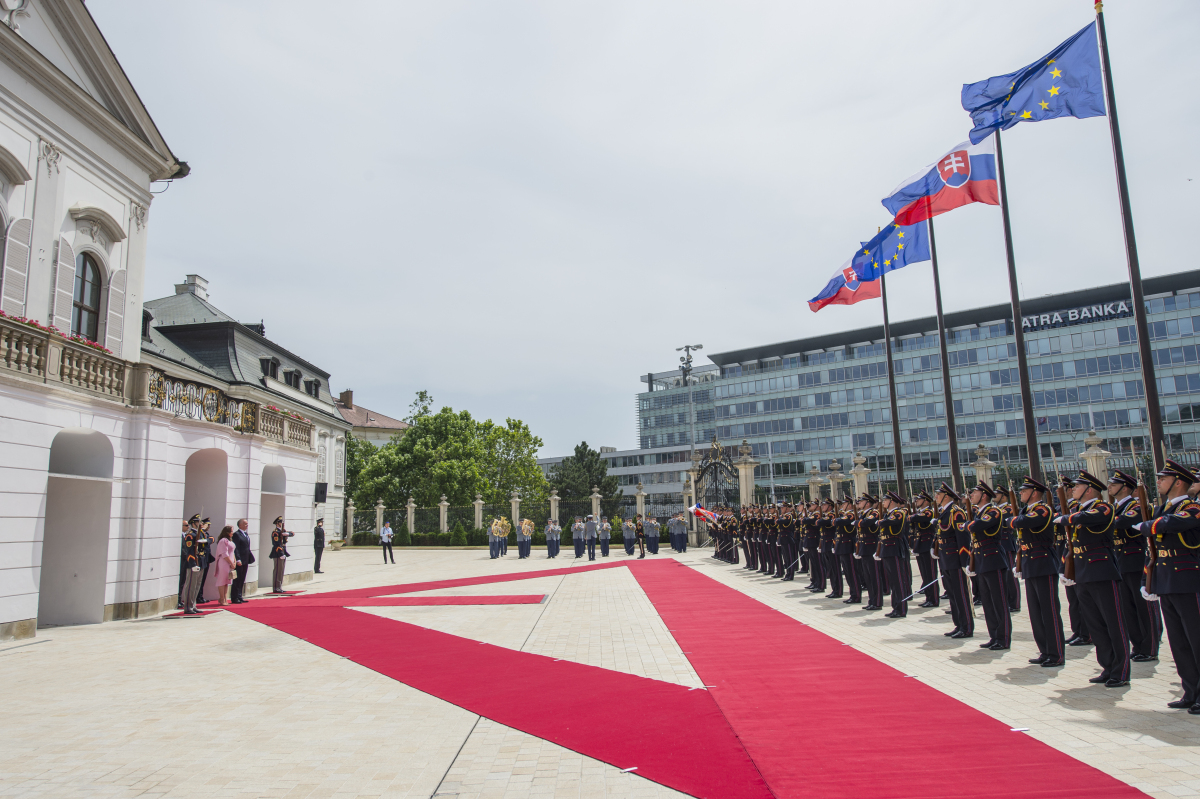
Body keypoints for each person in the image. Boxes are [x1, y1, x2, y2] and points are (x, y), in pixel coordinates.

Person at [1134, 459, 1200, 711]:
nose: (1158, 482)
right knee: (1178, 641)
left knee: (1196, 638)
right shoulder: (1163, 509)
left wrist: (1148, 525)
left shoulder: (1192, 507)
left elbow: (1174, 523)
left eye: (1163, 478)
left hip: (1188, 580)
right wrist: (1146, 581)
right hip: (1166, 580)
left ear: (1179, 482)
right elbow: (1152, 551)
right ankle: (1191, 691)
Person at [1059, 470, 1130, 687]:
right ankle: (1107, 666)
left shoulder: (1103, 507)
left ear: (1089, 490)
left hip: (1102, 572)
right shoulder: (1078, 509)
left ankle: (1120, 671)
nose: (1073, 489)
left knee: (1113, 623)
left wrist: (1067, 517)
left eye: (1077, 487)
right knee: (1096, 625)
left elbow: (1085, 518)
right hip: (1083, 573)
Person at [1108, 470, 1161, 663]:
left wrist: (1102, 522)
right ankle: (1137, 646)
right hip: (1120, 561)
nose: (1110, 487)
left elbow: (1122, 522)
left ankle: (1150, 648)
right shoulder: (1114, 507)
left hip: (1135, 561)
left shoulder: (1136, 506)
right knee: (1128, 609)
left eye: (1114, 484)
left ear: (1125, 488)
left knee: (1144, 608)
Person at [1012, 476, 1065, 667]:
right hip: (1030, 563)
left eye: (1024, 491)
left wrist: (1013, 520)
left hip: (1043, 563)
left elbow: (1022, 523)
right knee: (1035, 613)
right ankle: (1045, 650)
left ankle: (1056, 653)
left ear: (1035, 493)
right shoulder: (1026, 510)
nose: (1020, 493)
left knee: (1049, 612)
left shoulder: (1043, 509)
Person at [966, 482, 1011, 650]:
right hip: (981, 560)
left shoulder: (993, 511)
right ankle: (994, 636)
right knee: (987, 602)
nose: (971, 495)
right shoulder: (979, 513)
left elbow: (976, 526)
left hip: (993, 560)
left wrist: (968, 524)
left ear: (984, 495)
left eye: (975, 493)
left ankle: (1003, 638)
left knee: (999, 601)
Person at [935, 483, 973, 639]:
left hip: (955, 559)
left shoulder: (956, 513)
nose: (936, 497)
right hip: (946, 558)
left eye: (939, 494)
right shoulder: (945, 512)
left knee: (960, 594)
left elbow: (963, 539)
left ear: (946, 496)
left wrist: (964, 562)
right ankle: (958, 624)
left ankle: (967, 627)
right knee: (952, 594)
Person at [877, 491, 910, 618]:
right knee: (892, 581)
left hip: (895, 549)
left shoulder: (899, 513)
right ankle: (895, 607)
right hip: (887, 549)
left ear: (892, 502)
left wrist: (880, 522)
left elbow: (887, 522)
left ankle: (901, 609)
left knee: (898, 580)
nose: (883, 502)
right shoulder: (889, 514)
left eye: (886, 500)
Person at [910, 491, 939, 608]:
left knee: (931, 574)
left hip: (928, 545)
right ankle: (928, 597)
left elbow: (917, 518)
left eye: (919, 499)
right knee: (925, 575)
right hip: (920, 545)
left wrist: (912, 517)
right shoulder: (920, 512)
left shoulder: (929, 512)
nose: (916, 501)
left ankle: (934, 599)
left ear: (926, 501)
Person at [855, 494, 882, 610]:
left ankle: (877, 602)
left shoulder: (874, 513)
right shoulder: (863, 514)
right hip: (864, 547)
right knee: (868, 577)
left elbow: (865, 523)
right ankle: (871, 600)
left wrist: (858, 522)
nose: (859, 503)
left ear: (867, 503)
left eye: (861, 502)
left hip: (871, 547)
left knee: (874, 576)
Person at [179, 514, 204, 615]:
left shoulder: (200, 534)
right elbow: (189, 551)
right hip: (193, 563)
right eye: (198, 522)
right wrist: (193, 563)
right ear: (193, 524)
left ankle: (193, 605)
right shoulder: (190, 535)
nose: (200, 524)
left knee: (197, 585)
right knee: (191, 586)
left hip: (200, 562)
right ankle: (188, 607)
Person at [231, 519, 255, 604]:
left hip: (246, 559)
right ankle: (234, 597)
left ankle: (239, 596)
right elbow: (236, 548)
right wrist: (238, 559)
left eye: (247, 524)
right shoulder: (237, 535)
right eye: (245, 524)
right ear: (240, 525)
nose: (247, 525)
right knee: (237, 579)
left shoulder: (245, 534)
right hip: (240, 560)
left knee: (242, 578)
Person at [212, 526, 237, 606]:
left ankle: (225, 599)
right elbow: (224, 554)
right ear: (227, 532)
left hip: (230, 563)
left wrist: (234, 562)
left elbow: (232, 552)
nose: (232, 533)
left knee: (227, 581)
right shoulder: (223, 541)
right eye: (231, 531)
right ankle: (222, 599)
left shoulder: (230, 540)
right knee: (222, 581)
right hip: (224, 563)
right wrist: (231, 563)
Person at [269, 516, 293, 593]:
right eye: (280, 522)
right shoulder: (275, 532)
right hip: (278, 553)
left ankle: (279, 586)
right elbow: (276, 543)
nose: (282, 523)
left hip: (283, 552)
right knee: (277, 571)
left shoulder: (282, 531)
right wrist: (281, 554)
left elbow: (292, 533)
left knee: (281, 570)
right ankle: (276, 588)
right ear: (277, 523)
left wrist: (287, 534)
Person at [195, 518, 215, 604]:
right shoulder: (200, 533)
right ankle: (198, 597)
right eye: (208, 525)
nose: (209, 527)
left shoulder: (205, 534)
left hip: (206, 559)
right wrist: (207, 540)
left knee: (202, 580)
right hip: (201, 559)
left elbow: (212, 539)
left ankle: (200, 596)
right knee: (199, 580)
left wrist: (207, 540)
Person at [176, 519, 191, 610]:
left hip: (185, 562)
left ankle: (180, 599)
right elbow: (182, 549)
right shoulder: (180, 536)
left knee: (183, 581)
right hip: (182, 561)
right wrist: (187, 556)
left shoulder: (186, 535)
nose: (188, 527)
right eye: (186, 525)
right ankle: (178, 600)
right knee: (180, 581)